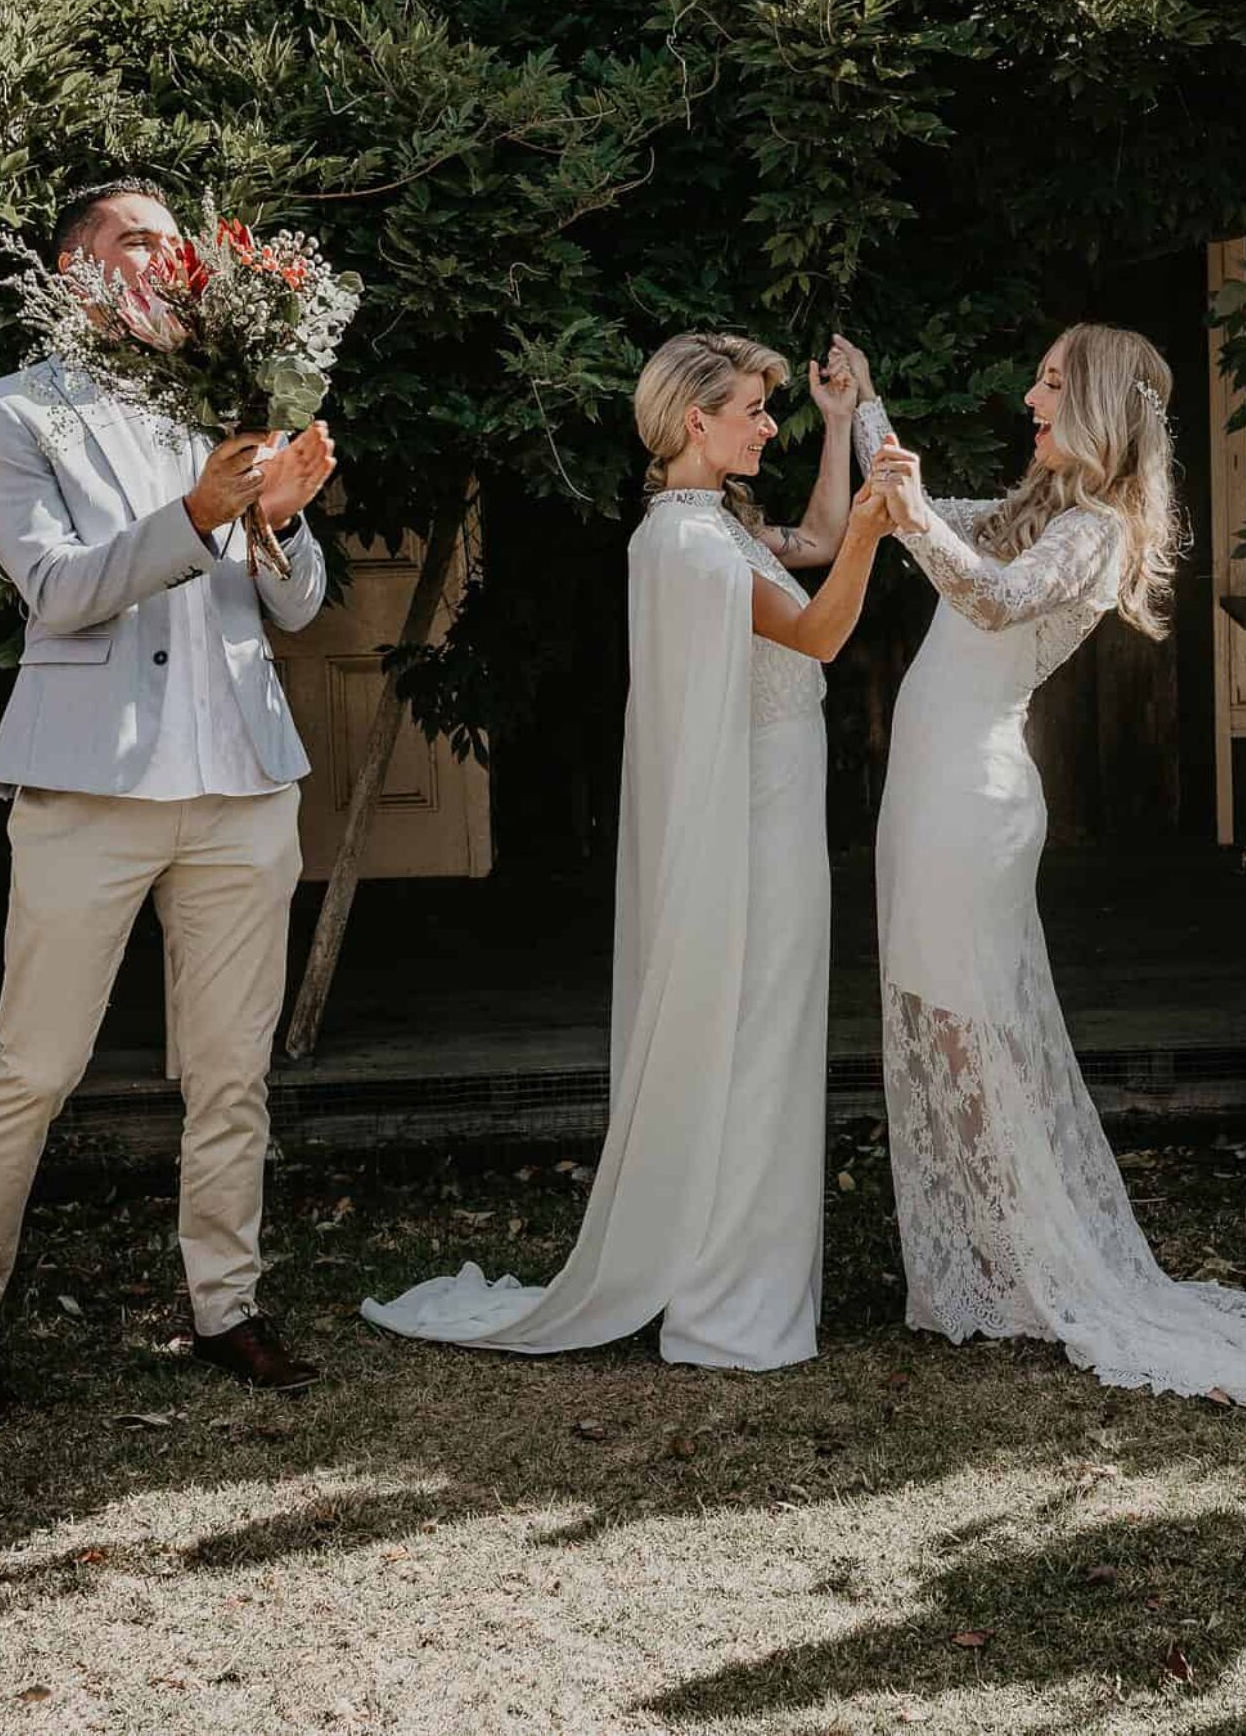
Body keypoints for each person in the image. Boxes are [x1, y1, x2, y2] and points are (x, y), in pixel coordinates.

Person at [827, 326, 1246, 1418]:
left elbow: (995, 599)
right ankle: (994, 1259)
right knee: (934, 1007)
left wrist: (910, 513)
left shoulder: (1094, 533)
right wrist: (863, 406)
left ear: (1099, 401)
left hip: (973, 800)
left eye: (1050, 381)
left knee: (967, 1021)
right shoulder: (1035, 511)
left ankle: (1033, 1263)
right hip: (928, 796)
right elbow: (931, 521)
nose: (1029, 394)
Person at [365, 333, 889, 1370]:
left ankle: (731, 1270)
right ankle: (728, 1296)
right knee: (760, 1033)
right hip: (757, 821)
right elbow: (825, 629)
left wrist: (841, 428)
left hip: (774, 803)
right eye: (754, 409)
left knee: (765, 1030)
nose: (766, 426)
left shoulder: (708, 526)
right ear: (697, 421)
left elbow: (817, 538)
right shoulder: (691, 547)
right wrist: (879, 528)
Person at [0, 179, 337, 1432]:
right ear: (76, 270)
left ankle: (226, 1306)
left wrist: (279, 523)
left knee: (232, 1069)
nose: (170, 260)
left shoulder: (223, 405)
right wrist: (200, 513)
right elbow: (60, 589)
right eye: (139, 240)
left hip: (243, 786)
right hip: (89, 789)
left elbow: (291, 607)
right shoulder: (6, 413)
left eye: (180, 243)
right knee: (35, 1065)